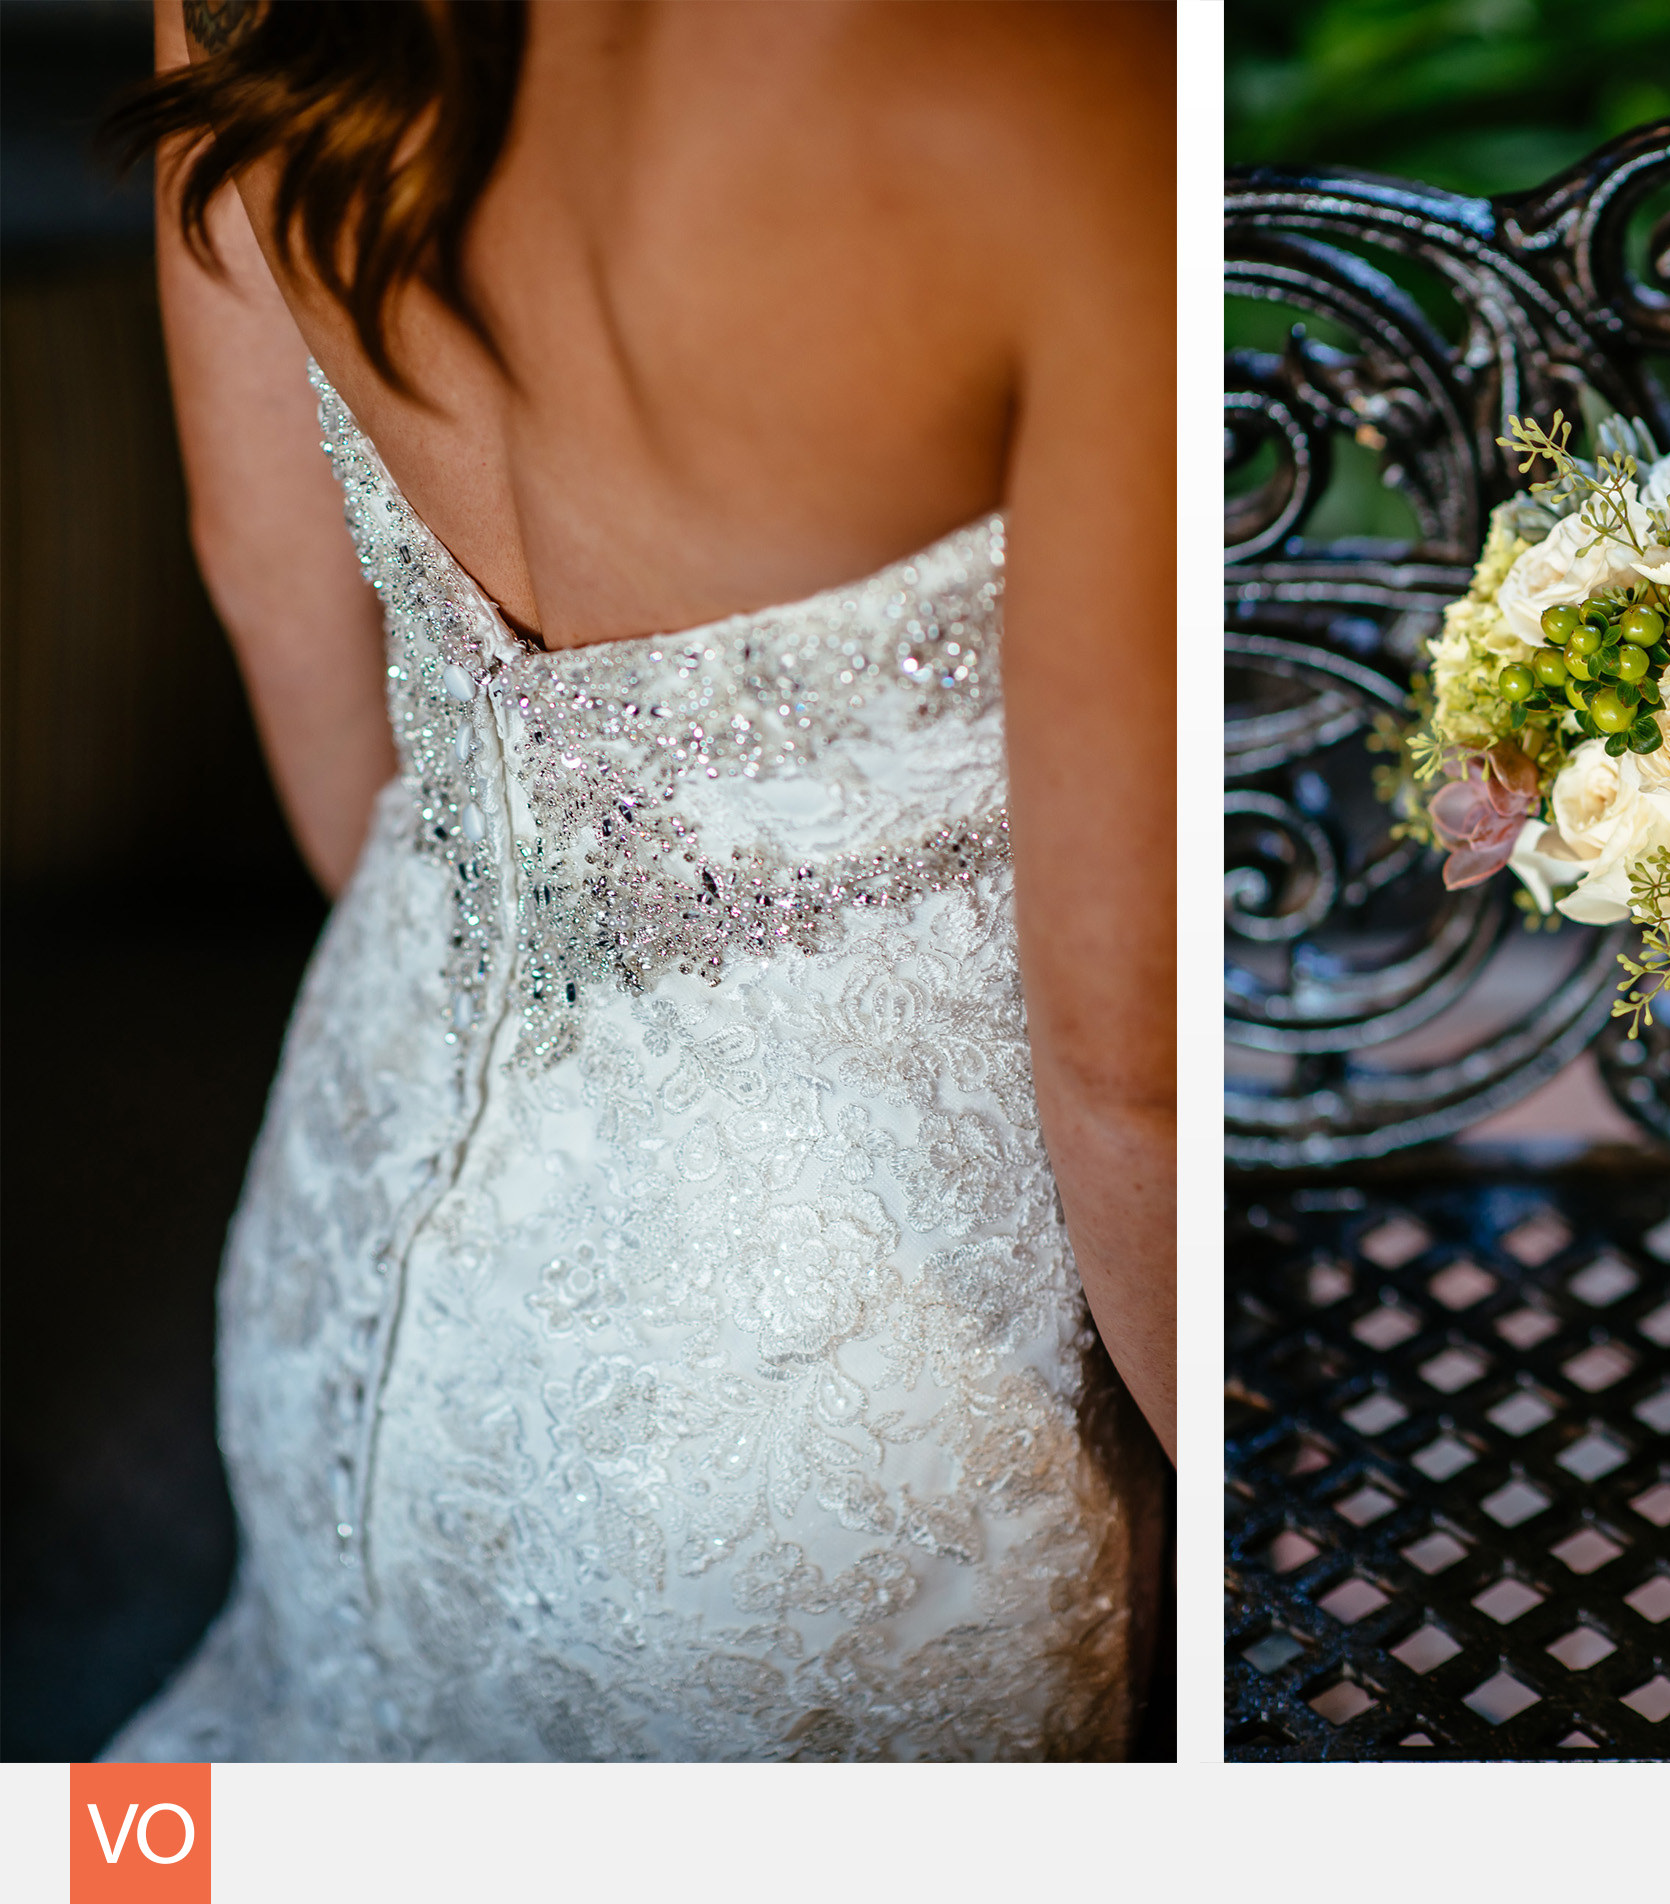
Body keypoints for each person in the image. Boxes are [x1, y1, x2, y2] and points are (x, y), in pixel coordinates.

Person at [102, 0, 1172, 1762]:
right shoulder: (1063, 86)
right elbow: (1128, 1081)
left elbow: (272, 595)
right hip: (827, 1407)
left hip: (366, 1202)